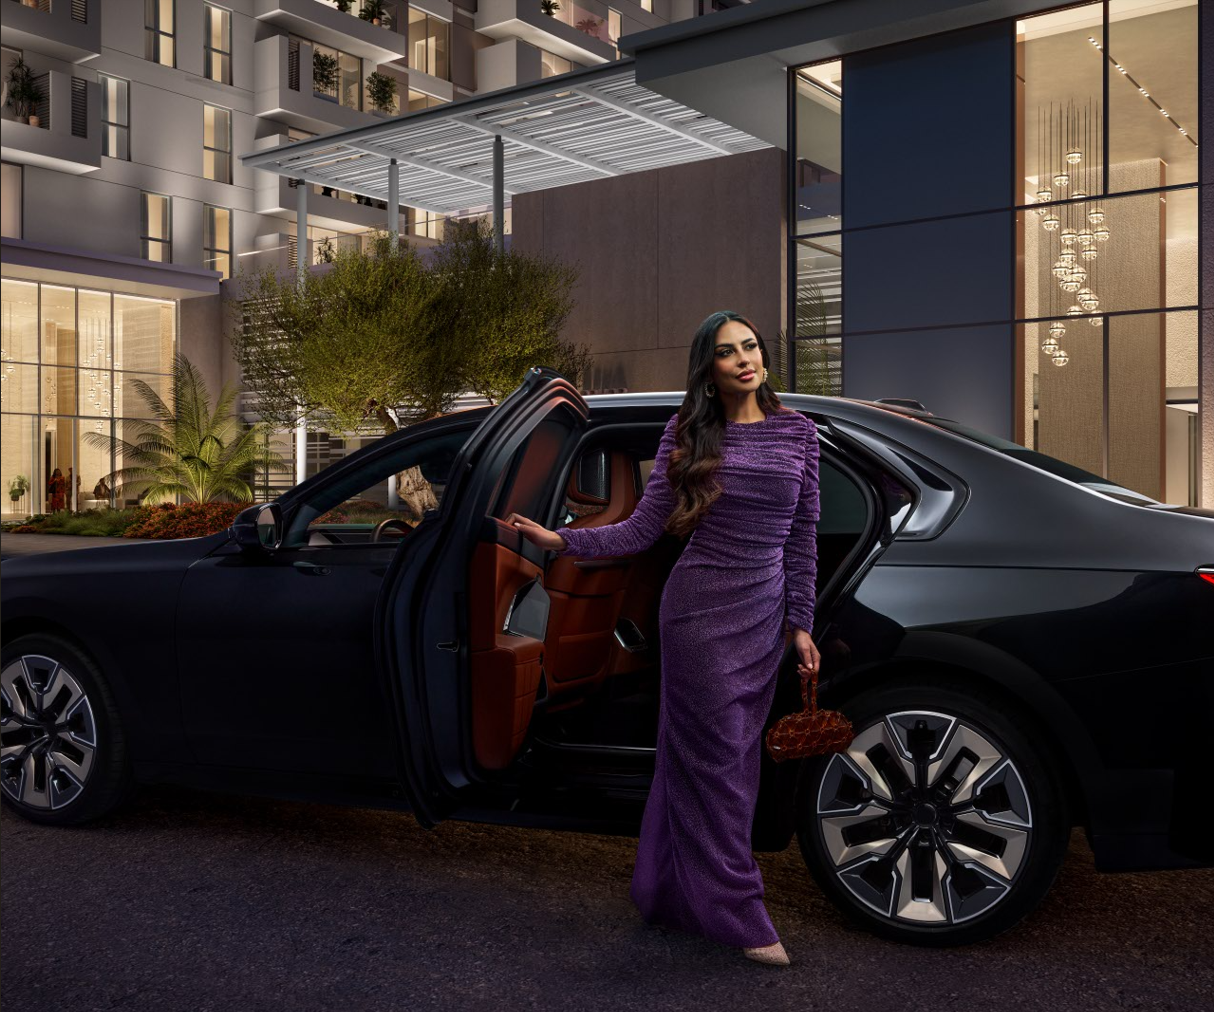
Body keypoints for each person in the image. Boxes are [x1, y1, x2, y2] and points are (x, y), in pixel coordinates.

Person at [505, 310, 821, 968]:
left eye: (751, 346)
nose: (745, 359)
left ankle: (674, 892)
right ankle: (738, 910)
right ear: (709, 368)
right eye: (728, 352)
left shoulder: (798, 432)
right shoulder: (687, 432)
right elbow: (642, 530)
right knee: (717, 766)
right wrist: (561, 539)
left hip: (763, 617)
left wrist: (800, 623)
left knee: (735, 763)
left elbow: (802, 536)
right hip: (699, 615)